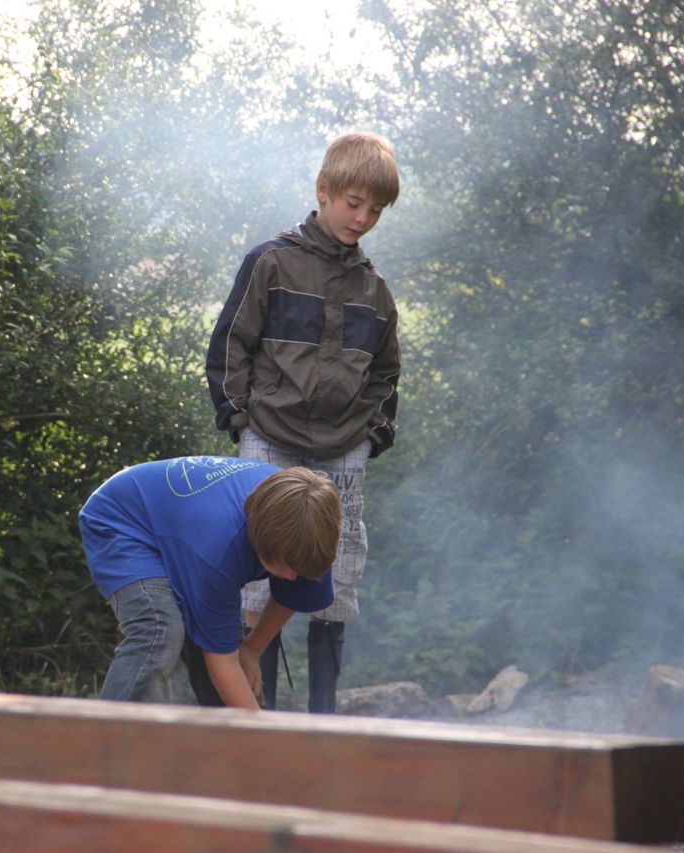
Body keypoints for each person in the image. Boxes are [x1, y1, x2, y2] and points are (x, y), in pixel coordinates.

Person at [205, 131, 401, 713]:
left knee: (335, 570)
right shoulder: (271, 262)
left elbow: (387, 374)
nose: (362, 219)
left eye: (376, 211)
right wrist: (239, 420)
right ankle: (257, 713)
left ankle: (324, 718)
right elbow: (230, 345)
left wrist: (373, 435)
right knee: (258, 567)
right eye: (354, 203)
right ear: (323, 190)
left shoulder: (375, 290)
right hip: (269, 437)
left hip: (344, 448)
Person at [80, 456, 340, 710]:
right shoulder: (219, 551)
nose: (293, 577)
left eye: (300, 570)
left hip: (183, 528)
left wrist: (251, 649)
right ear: (259, 539)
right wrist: (261, 733)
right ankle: (114, 733)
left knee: (227, 647)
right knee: (160, 629)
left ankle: (231, 738)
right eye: (285, 567)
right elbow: (223, 662)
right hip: (122, 522)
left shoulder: (313, 529)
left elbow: (293, 594)